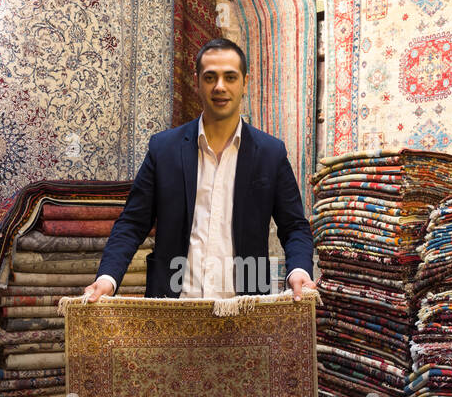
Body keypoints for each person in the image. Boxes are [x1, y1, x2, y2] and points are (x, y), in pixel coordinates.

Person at [82, 38, 316, 301]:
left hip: (246, 308)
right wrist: (108, 278)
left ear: (245, 83)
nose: (220, 87)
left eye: (230, 77)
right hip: (173, 305)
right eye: (210, 77)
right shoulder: (164, 149)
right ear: (197, 82)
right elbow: (132, 223)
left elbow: (294, 226)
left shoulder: (270, 153)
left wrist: (298, 270)